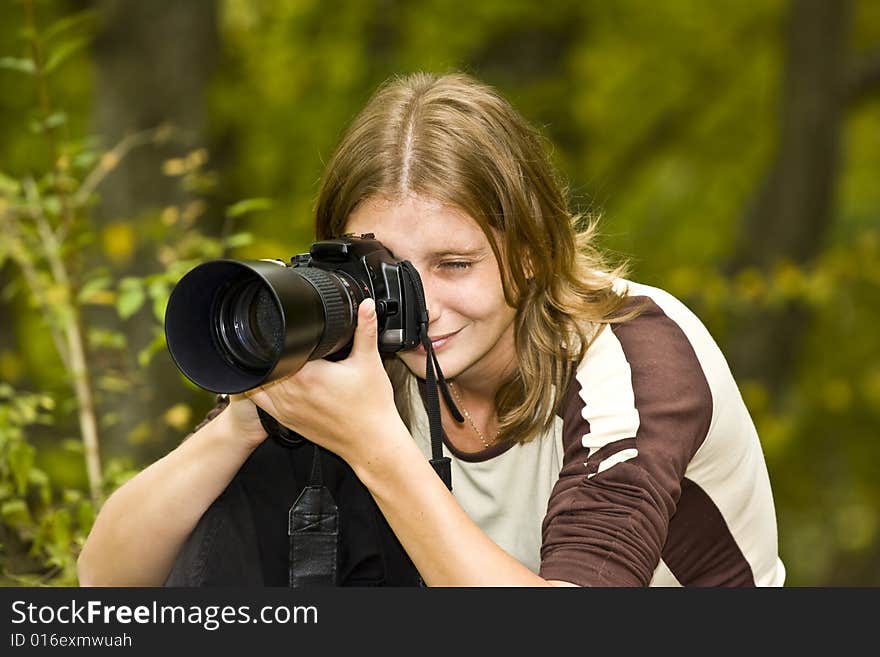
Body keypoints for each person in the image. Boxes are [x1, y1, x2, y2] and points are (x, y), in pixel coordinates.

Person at [77, 71, 785, 587]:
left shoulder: (630, 358)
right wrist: (244, 424)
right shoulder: (362, 344)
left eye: (454, 262)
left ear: (531, 252)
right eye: (384, 266)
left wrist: (377, 447)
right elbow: (108, 580)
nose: (423, 304)